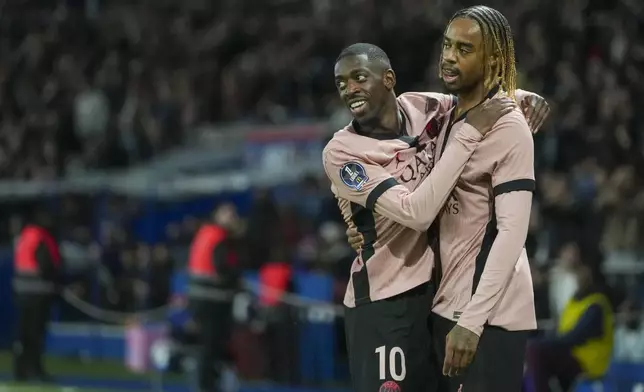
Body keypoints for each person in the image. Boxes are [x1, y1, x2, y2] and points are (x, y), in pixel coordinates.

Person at [323, 43, 548, 392]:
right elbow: (418, 213)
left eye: (359, 77)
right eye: (341, 83)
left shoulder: (424, 106)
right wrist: (471, 130)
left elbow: (472, 104)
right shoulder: (341, 154)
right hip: (385, 300)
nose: (349, 89)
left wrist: (516, 96)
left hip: (436, 294)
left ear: (389, 78)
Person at [429, 7, 539, 392]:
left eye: (464, 49)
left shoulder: (508, 128)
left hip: (485, 320)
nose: (449, 57)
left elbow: (511, 232)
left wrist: (472, 322)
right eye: (446, 45)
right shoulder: (449, 114)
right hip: (448, 308)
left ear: (492, 58)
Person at [525, 263, 613, 392]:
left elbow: (574, 337)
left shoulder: (596, 305)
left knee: (535, 350)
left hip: (588, 361)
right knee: (532, 354)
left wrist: (542, 342)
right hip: (571, 355)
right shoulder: (574, 302)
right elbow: (561, 331)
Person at [187, 203, 242, 392]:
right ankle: (208, 387)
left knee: (206, 348)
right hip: (214, 301)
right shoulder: (220, 237)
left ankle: (205, 385)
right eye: (230, 215)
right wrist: (236, 281)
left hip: (199, 299)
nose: (234, 218)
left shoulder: (205, 233)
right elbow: (224, 269)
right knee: (211, 348)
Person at [12, 210, 60, 382]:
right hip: (39, 293)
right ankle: (34, 370)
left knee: (23, 335)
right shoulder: (41, 238)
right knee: (35, 335)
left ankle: (20, 370)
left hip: (22, 292)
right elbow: (46, 265)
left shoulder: (24, 237)